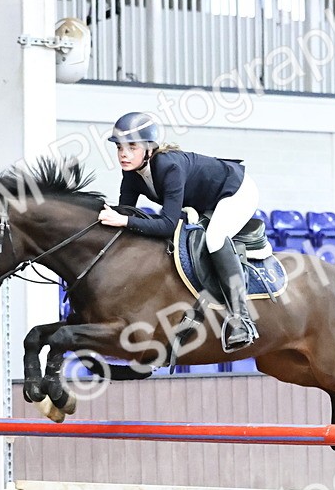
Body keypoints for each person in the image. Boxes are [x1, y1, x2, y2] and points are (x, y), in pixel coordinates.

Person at [98, 111, 260, 351]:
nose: (123, 154)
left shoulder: (168, 166)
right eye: (120, 148)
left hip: (236, 191)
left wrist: (123, 221)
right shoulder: (131, 173)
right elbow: (126, 211)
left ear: (149, 149)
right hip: (203, 201)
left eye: (132, 147)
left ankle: (242, 319)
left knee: (215, 238)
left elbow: (166, 224)